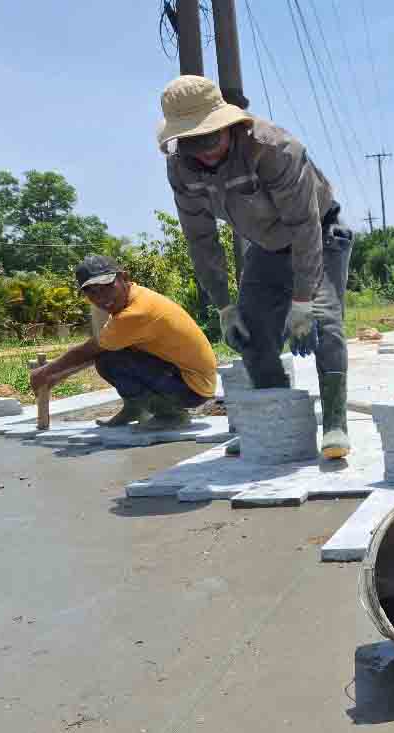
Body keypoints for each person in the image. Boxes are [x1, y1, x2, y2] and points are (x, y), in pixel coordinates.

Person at [158, 75, 354, 459]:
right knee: (250, 333)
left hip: (319, 236)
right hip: (264, 247)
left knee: (324, 322)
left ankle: (334, 423)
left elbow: (304, 227)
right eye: (194, 143)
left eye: (211, 139)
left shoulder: (274, 149)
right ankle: (275, 423)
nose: (206, 152)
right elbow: (202, 242)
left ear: (228, 124)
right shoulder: (181, 170)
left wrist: (301, 303)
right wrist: (224, 307)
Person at [28, 256, 217, 429]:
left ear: (124, 277)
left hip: (192, 388)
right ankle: (135, 409)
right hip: (186, 378)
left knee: (109, 362)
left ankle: (172, 415)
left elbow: (91, 350)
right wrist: (57, 376)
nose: (102, 298)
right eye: (92, 292)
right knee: (110, 357)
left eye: (107, 287)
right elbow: (102, 348)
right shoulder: (134, 296)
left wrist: (46, 372)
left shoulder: (136, 312)